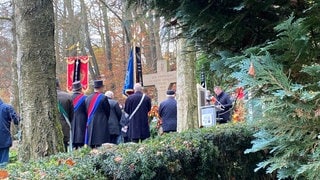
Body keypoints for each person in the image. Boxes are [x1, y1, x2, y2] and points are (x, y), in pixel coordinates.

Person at [85, 80, 110, 148]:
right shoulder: (103, 97)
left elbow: (86, 110)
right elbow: (107, 111)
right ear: (101, 87)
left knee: (92, 144)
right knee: (101, 144)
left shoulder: (88, 98)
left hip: (90, 122)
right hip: (102, 123)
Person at [0, 98, 19, 168]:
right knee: (3, 163)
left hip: (4, 138)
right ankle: (3, 177)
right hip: (4, 139)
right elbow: (16, 120)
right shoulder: (7, 108)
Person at [57, 79, 74, 152]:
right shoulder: (67, 96)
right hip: (65, 127)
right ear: (58, 85)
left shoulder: (44, 97)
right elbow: (72, 115)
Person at [71, 81, 87, 149]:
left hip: (71, 120)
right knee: (81, 139)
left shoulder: (69, 97)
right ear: (81, 89)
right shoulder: (85, 98)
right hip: (82, 120)